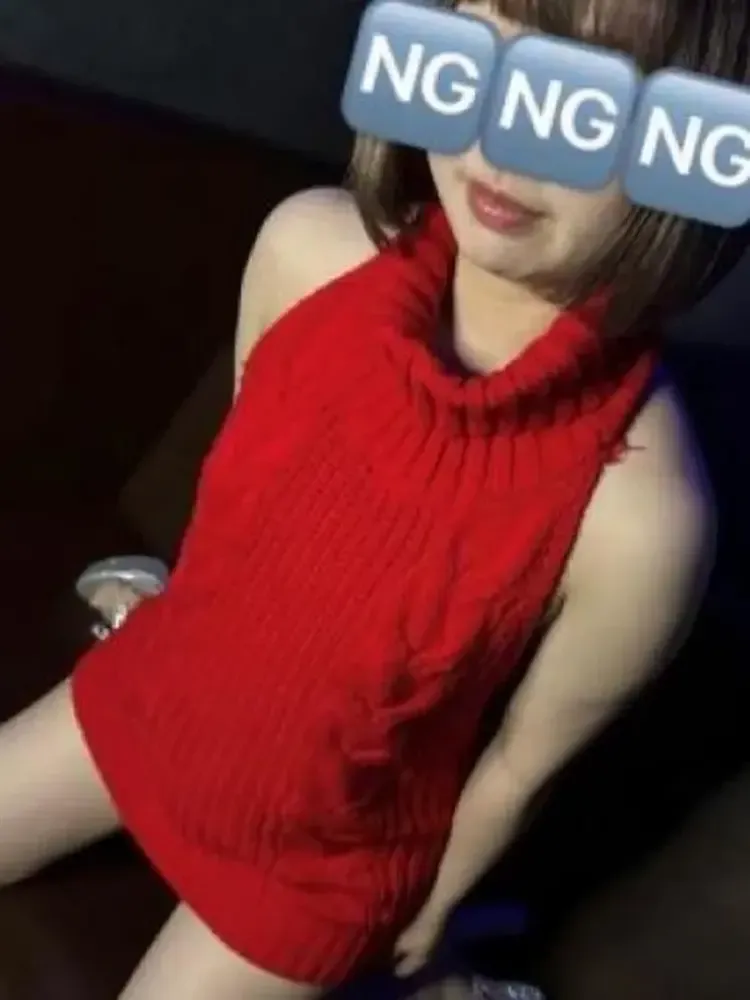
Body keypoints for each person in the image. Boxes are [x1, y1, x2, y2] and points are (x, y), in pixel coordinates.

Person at [1, 0, 747, 997]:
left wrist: (432, 909)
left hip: (309, 872)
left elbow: (523, 766)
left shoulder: (643, 520)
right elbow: (248, 501)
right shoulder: (303, 248)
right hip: (145, 703)